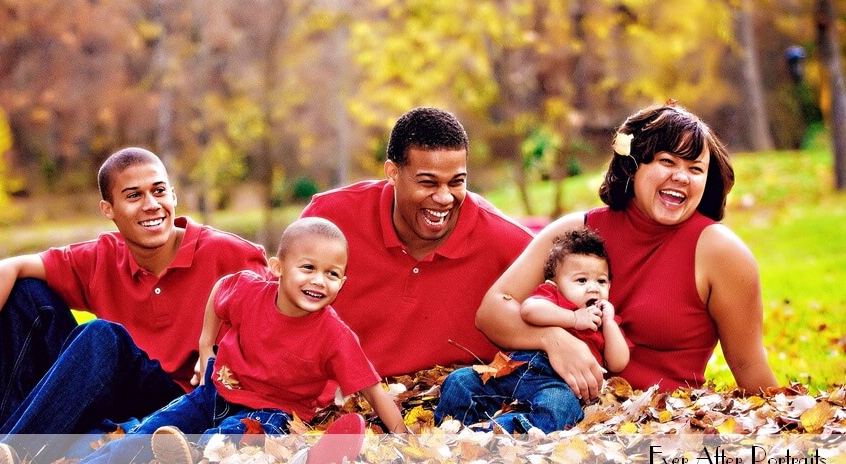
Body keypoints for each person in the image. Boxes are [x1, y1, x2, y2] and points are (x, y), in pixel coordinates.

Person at [0, 147, 268, 464]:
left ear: (173, 195)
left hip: (186, 402)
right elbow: (2, 270)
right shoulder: (103, 257)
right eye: (134, 196)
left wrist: (224, 357)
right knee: (24, 294)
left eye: (159, 191)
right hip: (115, 400)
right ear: (108, 209)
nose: (151, 204)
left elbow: (277, 321)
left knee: (102, 335)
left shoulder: (229, 253)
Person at [42, 217, 407, 464]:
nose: (318, 281)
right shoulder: (249, 291)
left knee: (240, 434)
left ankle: (214, 456)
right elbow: (220, 293)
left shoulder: (335, 335)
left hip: (273, 412)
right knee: (144, 435)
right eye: (308, 268)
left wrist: (407, 442)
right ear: (278, 268)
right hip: (213, 393)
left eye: (331, 274)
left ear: (343, 282)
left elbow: (373, 390)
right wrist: (206, 346)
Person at [475, 101, 778, 397]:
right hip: (556, 405)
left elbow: (748, 364)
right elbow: (493, 310)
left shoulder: (721, 252)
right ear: (632, 165)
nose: (681, 176)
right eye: (667, 161)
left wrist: (795, 434)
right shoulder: (576, 231)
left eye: (695, 168)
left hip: (659, 424)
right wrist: (552, 339)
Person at [300, 107, 532, 380]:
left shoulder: (508, 242)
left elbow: (568, 300)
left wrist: (557, 340)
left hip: (456, 402)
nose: (445, 198)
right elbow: (281, 305)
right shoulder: (329, 218)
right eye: (428, 183)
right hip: (336, 399)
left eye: (456, 182)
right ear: (393, 173)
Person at [434, 228, 629, 432]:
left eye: (601, 281)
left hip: (558, 385)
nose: (593, 288)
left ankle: (491, 434)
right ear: (555, 284)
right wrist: (573, 318)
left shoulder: (603, 320)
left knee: (559, 407)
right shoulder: (552, 297)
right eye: (581, 280)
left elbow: (618, 362)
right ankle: (452, 429)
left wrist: (609, 323)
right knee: (460, 381)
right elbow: (530, 310)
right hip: (515, 368)